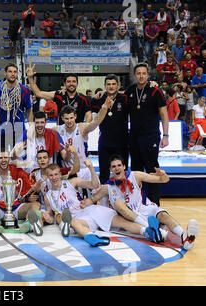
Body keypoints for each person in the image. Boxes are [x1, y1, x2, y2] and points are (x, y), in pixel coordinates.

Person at [83, 154, 199, 250]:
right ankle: (152, 229)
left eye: (119, 165)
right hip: (129, 217)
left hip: (144, 209)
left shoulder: (135, 176)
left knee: (163, 215)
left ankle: (184, 236)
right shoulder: (107, 187)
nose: (117, 168)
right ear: (110, 170)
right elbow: (92, 199)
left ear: (124, 167)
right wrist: (82, 203)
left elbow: (163, 180)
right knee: (118, 203)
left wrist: (163, 175)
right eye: (113, 166)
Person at [44, 162, 162, 247]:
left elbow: (94, 185)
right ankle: (92, 238)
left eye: (56, 174)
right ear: (47, 177)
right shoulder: (47, 196)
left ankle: (148, 232)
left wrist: (91, 169)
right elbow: (50, 214)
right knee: (75, 223)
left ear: (60, 174)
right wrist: (47, 217)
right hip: (79, 218)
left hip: (90, 210)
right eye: (51, 175)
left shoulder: (71, 182)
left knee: (123, 222)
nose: (54, 178)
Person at [125, 63, 169, 205]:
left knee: (152, 169)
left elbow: (164, 113)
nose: (141, 76)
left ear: (148, 75)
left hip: (151, 136)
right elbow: (117, 99)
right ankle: (137, 202)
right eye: (138, 73)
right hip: (134, 137)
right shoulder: (130, 90)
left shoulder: (155, 91)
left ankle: (155, 203)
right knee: (136, 170)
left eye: (144, 73)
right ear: (134, 75)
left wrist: (166, 135)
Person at [0, 63, 33, 154]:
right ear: (5, 73)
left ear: (17, 74)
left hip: (19, 131)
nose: (12, 74)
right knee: (1, 160)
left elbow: (29, 110)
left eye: (15, 72)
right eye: (10, 71)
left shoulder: (25, 90)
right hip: (2, 130)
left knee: (18, 161)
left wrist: (31, 128)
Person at [90, 74, 130, 184]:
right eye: (108, 84)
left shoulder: (125, 99)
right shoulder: (98, 99)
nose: (111, 87)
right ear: (104, 86)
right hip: (105, 143)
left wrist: (151, 83)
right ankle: (104, 200)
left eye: (113, 84)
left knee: (122, 173)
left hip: (122, 143)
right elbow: (92, 118)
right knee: (104, 173)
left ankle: (123, 198)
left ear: (118, 85)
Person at [26, 63, 91, 124]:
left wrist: (85, 128)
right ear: (64, 84)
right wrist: (30, 78)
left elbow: (88, 114)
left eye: (74, 81)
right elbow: (38, 93)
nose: (71, 84)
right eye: (68, 81)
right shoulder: (59, 95)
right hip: (61, 132)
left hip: (77, 133)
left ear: (77, 84)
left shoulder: (83, 98)